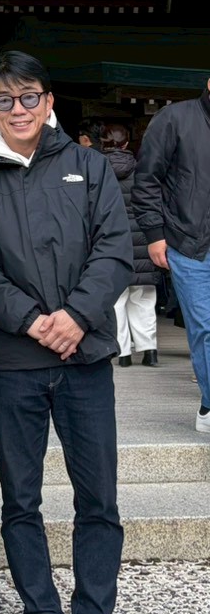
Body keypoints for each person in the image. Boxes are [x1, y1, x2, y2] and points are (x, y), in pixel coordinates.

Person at [0, 52, 151, 614]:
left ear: (49, 100)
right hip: (17, 360)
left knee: (100, 497)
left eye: (28, 97)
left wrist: (75, 316)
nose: (19, 110)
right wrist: (34, 321)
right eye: (4, 101)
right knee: (22, 497)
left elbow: (115, 247)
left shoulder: (88, 166)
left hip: (85, 356)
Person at [133, 82, 210, 435]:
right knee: (205, 328)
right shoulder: (175, 118)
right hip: (190, 242)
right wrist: (154, 235)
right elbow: (147, 179)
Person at [101, 124, 159, 368]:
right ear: (126, 144)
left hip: (113, 248)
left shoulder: (98, 172)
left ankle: (123, 354)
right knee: (144, 302)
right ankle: (149, 351)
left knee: (116, 303)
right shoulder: (143, 172)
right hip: (144, 246)